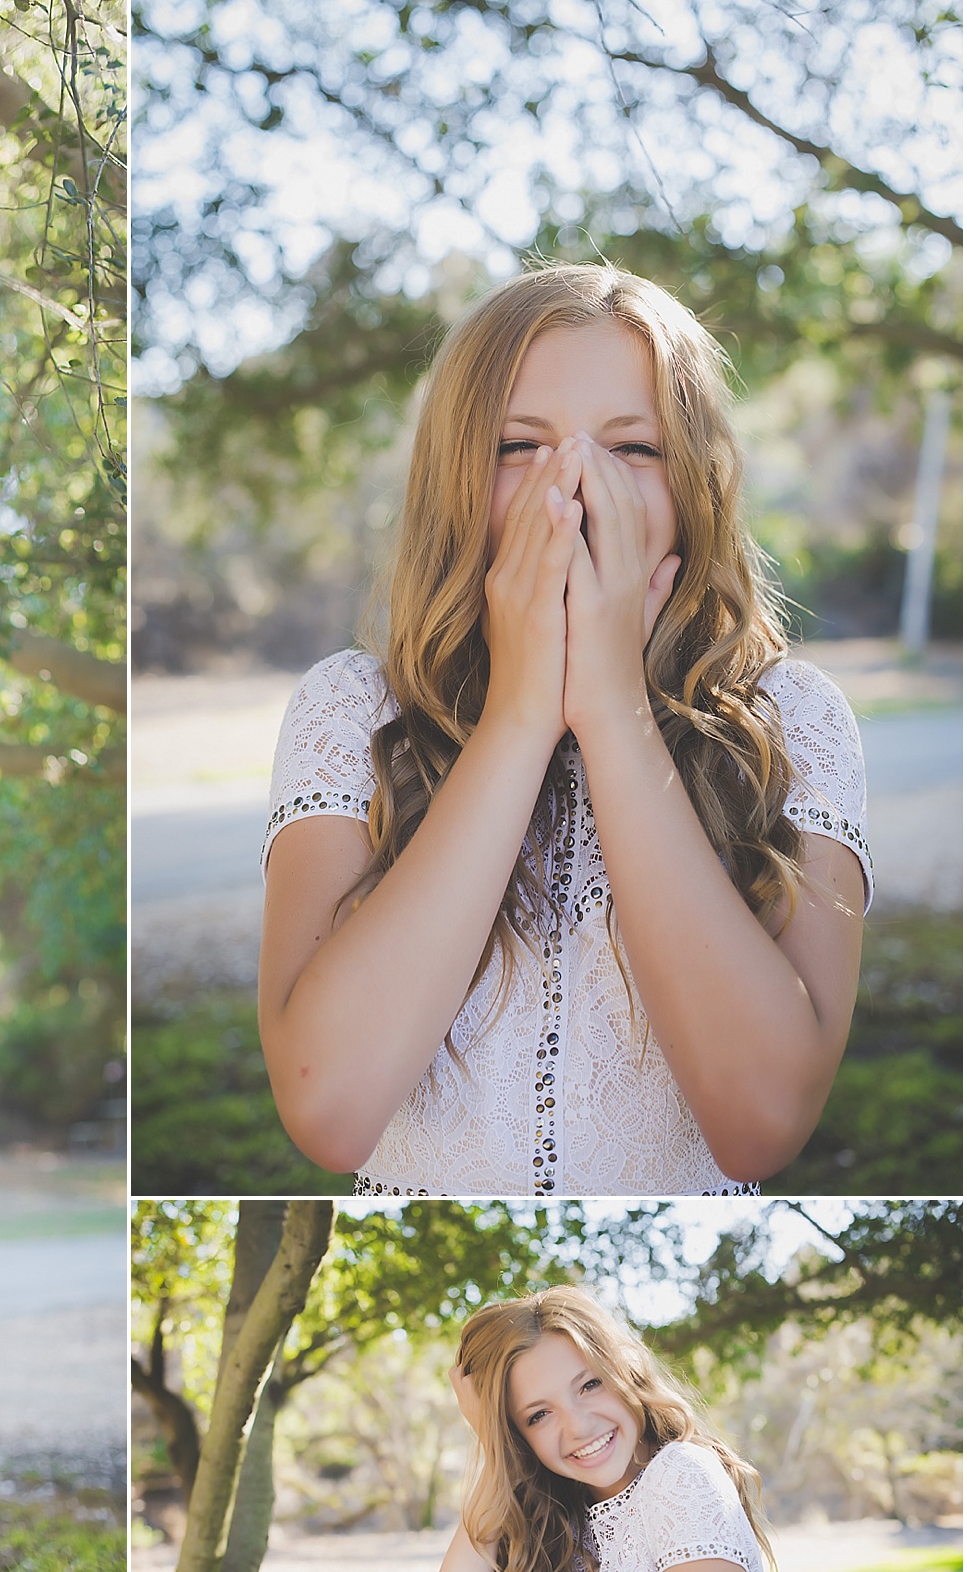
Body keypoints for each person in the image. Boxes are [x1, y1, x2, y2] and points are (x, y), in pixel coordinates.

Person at [258, 263, 869, 1195]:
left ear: (695, 481)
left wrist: (615, 708)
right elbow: (329, 1110)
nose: (575, 488)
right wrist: (521, 714)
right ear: (456, 475)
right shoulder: (350, 711)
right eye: (518, 445)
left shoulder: (796, 721)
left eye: (632, 449)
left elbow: (762, 1125)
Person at [421, 1287, 771, 1572]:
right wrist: (492, 1450)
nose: (579, 1427)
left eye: (589, 1385)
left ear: (623, 1371)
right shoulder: (560, 1520)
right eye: (539, 1415)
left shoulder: (680, 1478)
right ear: (516, 1436)